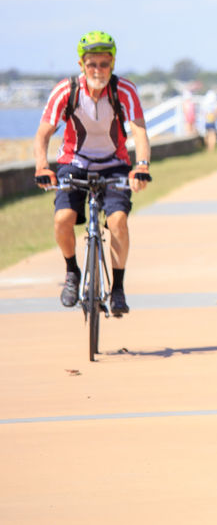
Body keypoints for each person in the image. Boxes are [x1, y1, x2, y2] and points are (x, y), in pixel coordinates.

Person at [32, 31, 151, 316]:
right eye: (92, 64)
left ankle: (118, 288)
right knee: (63, 218)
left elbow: (139, 131)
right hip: (75, 162)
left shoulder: (124, 91)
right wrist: (41, 166)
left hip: (114, 163)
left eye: (104, 64)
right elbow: (42, 134)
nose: (98, 70)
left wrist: (142, 165)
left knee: (118, 221)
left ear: (112, 64)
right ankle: (72, 271)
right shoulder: (67, 91)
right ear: (81, 65)